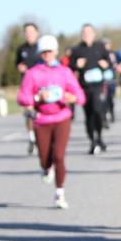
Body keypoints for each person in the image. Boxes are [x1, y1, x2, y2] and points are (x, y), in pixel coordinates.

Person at [17, 35, 85, 209]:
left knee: (59, 156)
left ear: (55, 52)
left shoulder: (64, 72)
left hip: (62, 118)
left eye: (50, 51)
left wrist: (72, 97)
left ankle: (60, 193)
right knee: (45, 159)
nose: (47, 54)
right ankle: (47, 168)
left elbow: (80, 97)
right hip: (42, 120)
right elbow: (22, 97)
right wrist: (37, 97)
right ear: (41, 53)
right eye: (44, 52)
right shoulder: (33, 73)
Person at [70, 24, 112, 154]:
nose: (86, 35)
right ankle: (92, 140)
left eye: (89, 32)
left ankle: (99, 136)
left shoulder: (100, 47)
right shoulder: (76, 50)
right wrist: (76, 65)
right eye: (84, 32)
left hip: (98, 86)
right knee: (88, 115)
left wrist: (106, 64)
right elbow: (70, 67)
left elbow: (109, 63)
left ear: (94, 34)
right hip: (84, 87)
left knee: (97, 111)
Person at [15, 22, 41, 154]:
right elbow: (17, 64)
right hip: (27, 86)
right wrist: (20, 68)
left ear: (37, 33)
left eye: (31, 31)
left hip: (41, 85)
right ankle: (32, 137)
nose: (29, 34)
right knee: (29, 114)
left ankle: (41, 136)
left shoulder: (42, 48)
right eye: (26, 32)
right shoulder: (21, 49)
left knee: (40, 113)